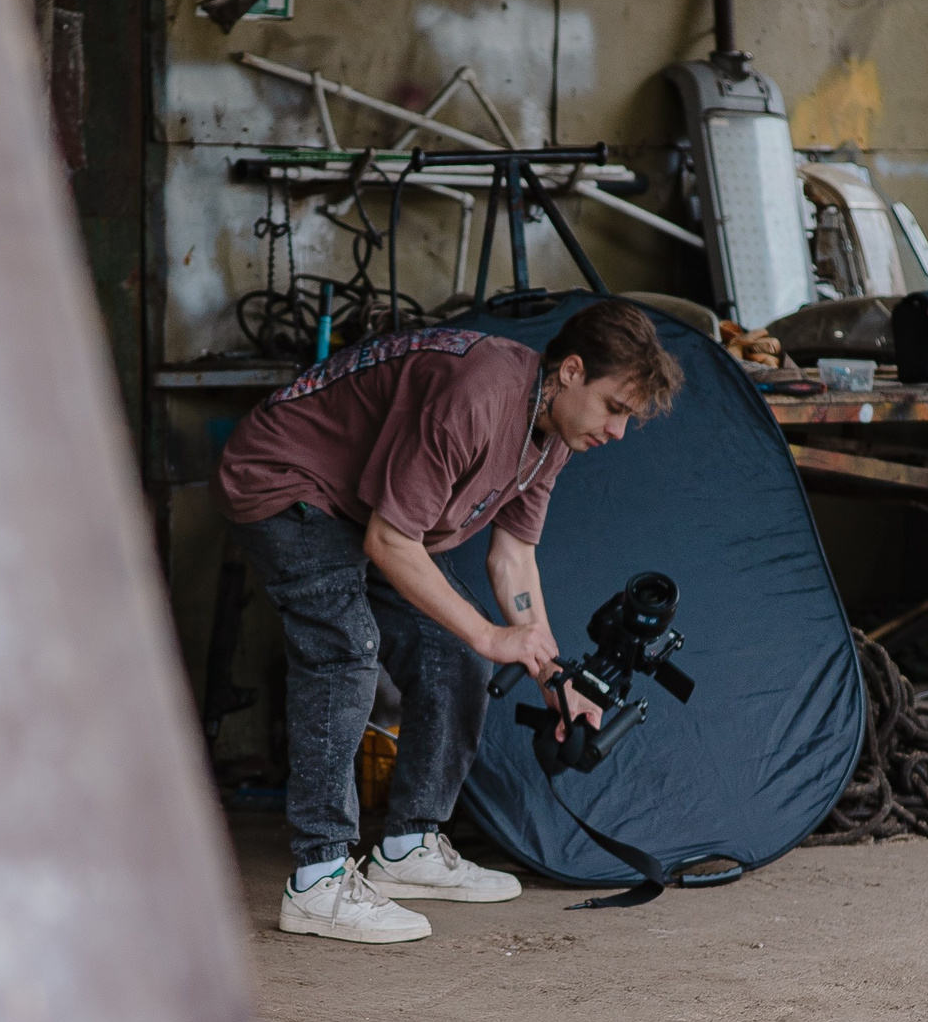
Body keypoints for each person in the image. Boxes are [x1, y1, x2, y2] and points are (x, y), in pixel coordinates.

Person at [214, 301, 683, 942]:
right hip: (285, 478)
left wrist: (551, 674)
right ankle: (319, 878)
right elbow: (390, 541)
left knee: (456, 649)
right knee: (346, 648)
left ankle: (410, 847)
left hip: (361, 509)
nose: (618, 431)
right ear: (571, 371)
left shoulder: (552, 437)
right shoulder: (479, 397)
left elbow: (515, 557)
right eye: (615, 407)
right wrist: (492, 634)